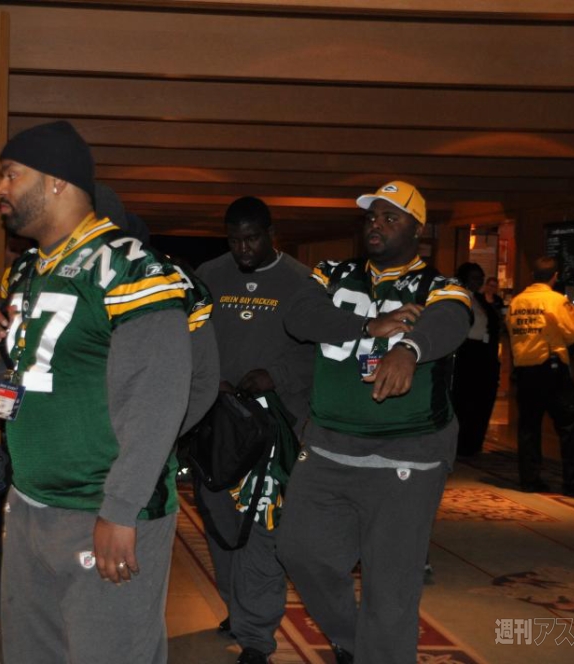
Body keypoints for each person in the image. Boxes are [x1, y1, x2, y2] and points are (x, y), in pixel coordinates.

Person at [0, 120, 194, 663]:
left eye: (11, 175)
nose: (0, 189)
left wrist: (121, 510)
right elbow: (26, 384)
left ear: (56, 181)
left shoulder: (133, 268)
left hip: (100, 508)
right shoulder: (28, 271)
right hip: (32, 503)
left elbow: (158, 398)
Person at [196, 196, 422, 664]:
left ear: (271, 234)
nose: (243, 249)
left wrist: (275, 375)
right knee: (220, 523)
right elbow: (191, 336)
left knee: (262, 524)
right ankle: (238, 607)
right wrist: (207, 378)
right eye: (234, 240)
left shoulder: (301, 280)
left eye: (252, 239)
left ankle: (256, 635)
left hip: (276, 426)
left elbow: (321, 348)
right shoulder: (209, 275)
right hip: (217, 422)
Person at [276, 181, 471, 664]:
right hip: (328, 446)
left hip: (407, 454)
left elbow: (450, 319)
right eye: (372, 217)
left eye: (390, 217)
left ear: (417, 229)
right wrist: (367, 326)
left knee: (390, 587)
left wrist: (409, 349)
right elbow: (299, 316)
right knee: (300, 551)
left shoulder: (438, 285)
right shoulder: (332, 273)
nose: (377, 226)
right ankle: (352, 638)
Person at [506, 256, 574, 496]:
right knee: (569, 426)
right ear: (555, 276)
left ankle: (530, 480)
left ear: (532, 276)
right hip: (551, 368)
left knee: (529, 426)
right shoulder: (556, 301)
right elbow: (572, 334)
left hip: (525, 369)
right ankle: (573, 483)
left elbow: (511, 331)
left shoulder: (517, 301)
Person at [452, 262, 503, 457]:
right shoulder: (458, 299)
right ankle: (462, 444)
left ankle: (473, 443)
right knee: (465, 400)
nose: (479, 281)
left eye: (481, 277)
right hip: (466, 355)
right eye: (475, 277)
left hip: (483, 355)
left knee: (482, 400)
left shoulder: (480, 299)